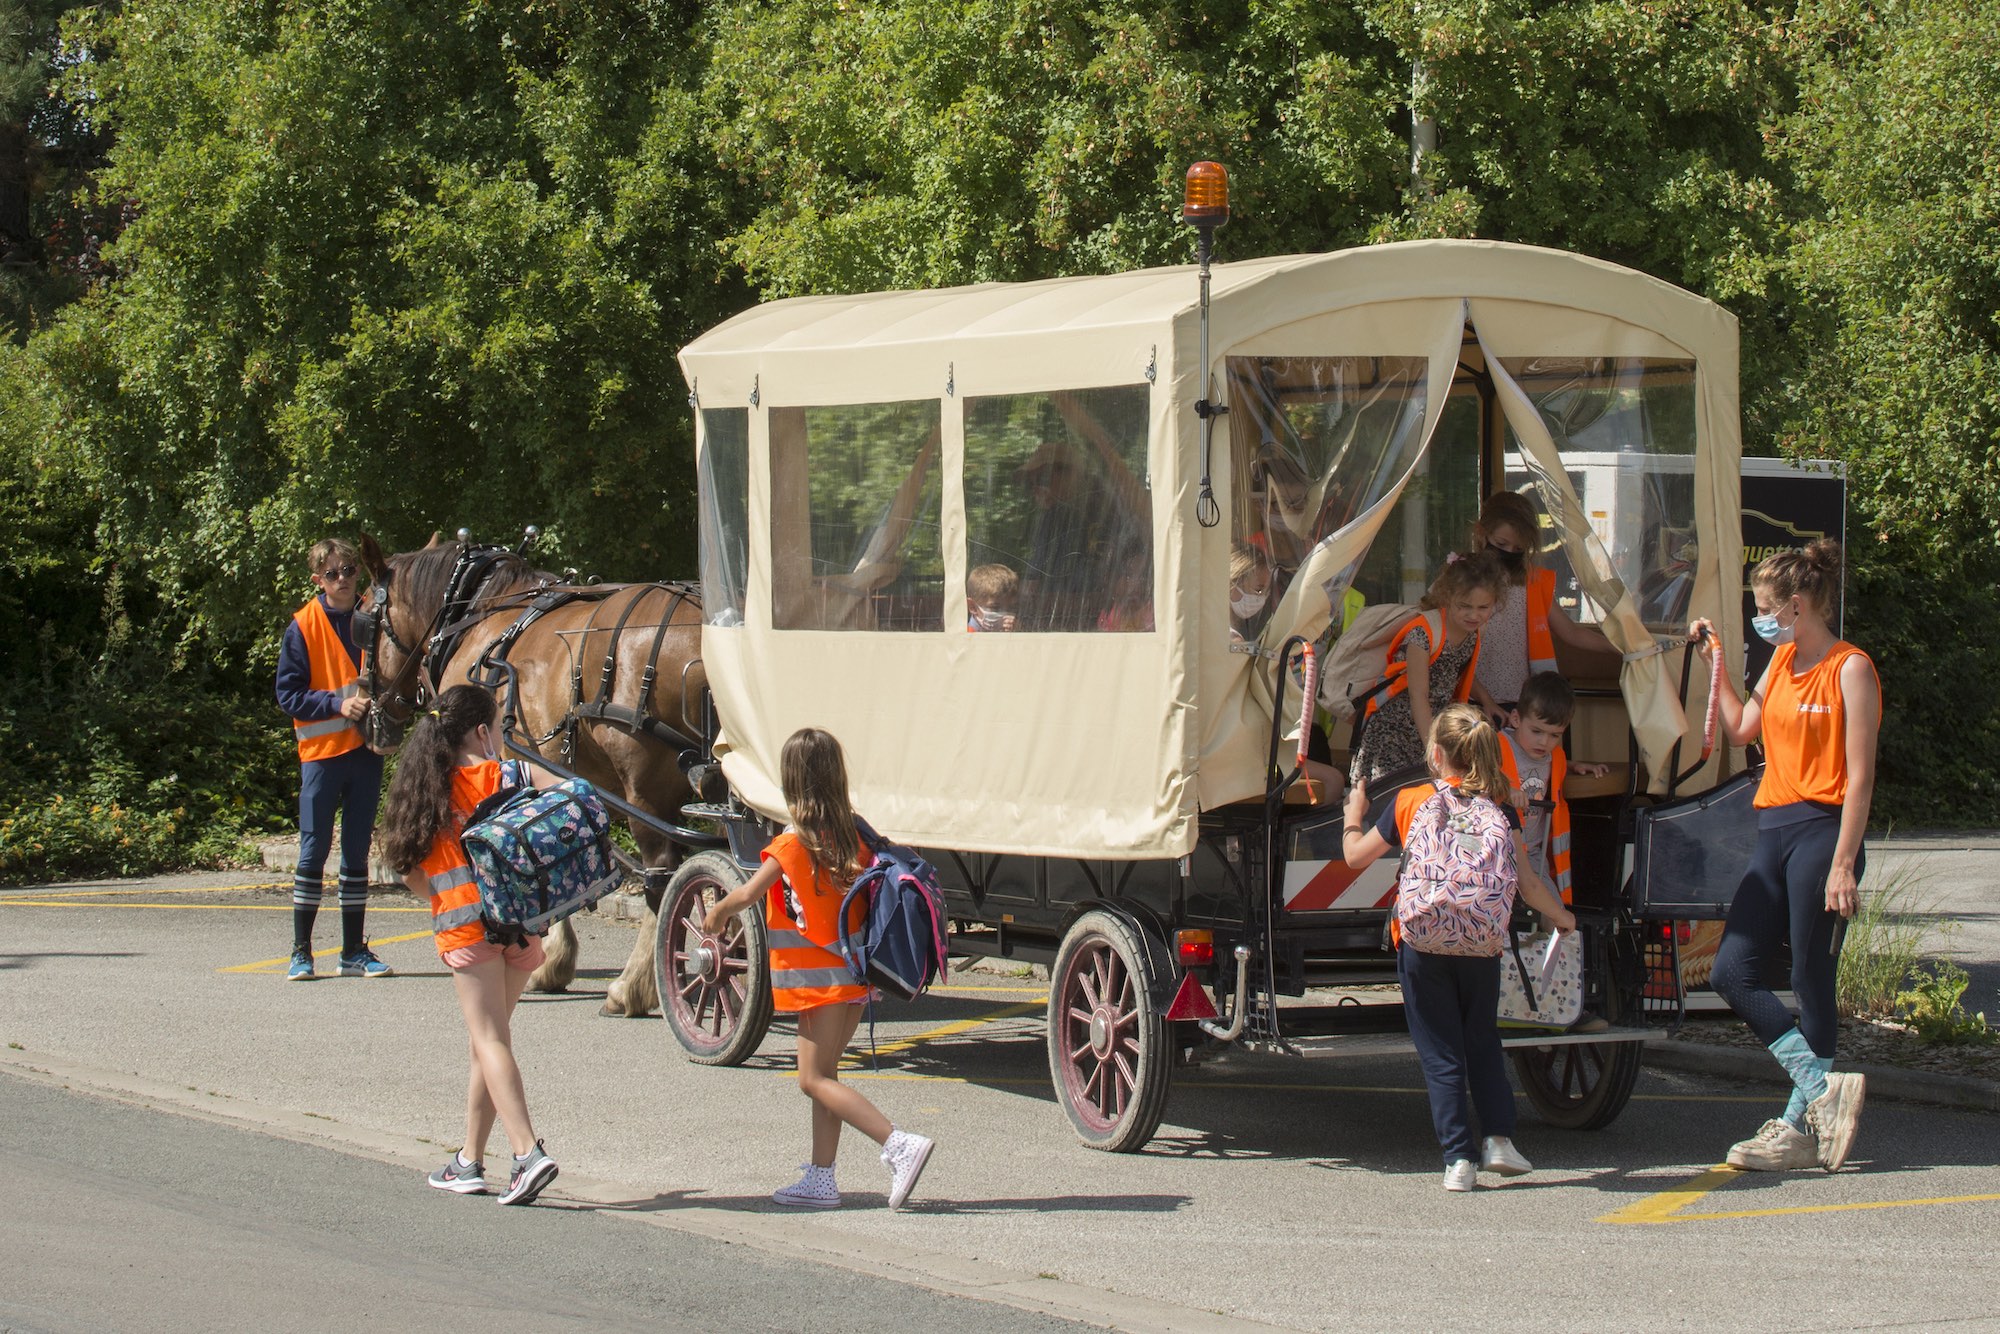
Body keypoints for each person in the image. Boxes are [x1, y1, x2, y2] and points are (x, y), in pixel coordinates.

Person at [1689, 539, 1878, 1174]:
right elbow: (1742, 728)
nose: (1762, 618)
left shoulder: (1851, 667)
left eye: (1767, 607)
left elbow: (1860, 777)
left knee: (1808, 980)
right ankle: (1825, 1093)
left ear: (1797, 605)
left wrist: (1845, 862)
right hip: (1773, 827)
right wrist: (1717, 659)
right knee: (1730, 972)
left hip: (1824, 831)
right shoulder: (1783, 659)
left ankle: (1797, 1124)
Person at [1341, 704, 1576, 1191]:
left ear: (1437, 753)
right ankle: (1499, 1141)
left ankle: (1458, 1160)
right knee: (1483, 1042)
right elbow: (1528, 883)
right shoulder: (1501, 807)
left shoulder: (1409, 800)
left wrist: (1353, 815)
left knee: (1441, 1052)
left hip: (1423, 942)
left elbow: (1352, 858)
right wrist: (1562, 918)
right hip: (1482, 944)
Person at [703, 728, 936, 1209]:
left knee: (812, 1079)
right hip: (853, 979)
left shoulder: (793, 845)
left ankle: (897, 1144)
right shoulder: (855, 836)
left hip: (818, 984)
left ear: (792, 782)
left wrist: (715, 912)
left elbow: (747, 893)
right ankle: (821, 1178)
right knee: (826, 1077)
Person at [379, 684, 561, 1205]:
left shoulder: (428, 788)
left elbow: (409, 869)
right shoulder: (511, 775)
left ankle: (527, 1154)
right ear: (482, 732)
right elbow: (569, 800)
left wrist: (443, 894)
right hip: (523, 923)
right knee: (490, 1041)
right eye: (500, 727)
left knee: (489, 1040)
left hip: (465, 925)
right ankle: (469, 1160)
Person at [274, 536, 390, 982]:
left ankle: (353, 952)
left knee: (356, 855)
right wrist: (337, 705)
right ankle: (301, 952)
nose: (343, 580)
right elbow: (287, 694)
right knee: (312, 852)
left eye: (350, 571)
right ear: (317, 579)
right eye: (334, 573)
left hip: (365, 751)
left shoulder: (373, 615)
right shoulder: (302, 626)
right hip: (322, 756)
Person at [1500, 671, 1611, 1032]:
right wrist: (1502, 786)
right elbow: (1473, 771)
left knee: (1557, 921)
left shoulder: (1554, 758)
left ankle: (1558, 1006)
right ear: (1515, 719)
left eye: (1555, 735)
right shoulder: (1496, 746)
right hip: (1495, 859)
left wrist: (1577, 765)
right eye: (1537, 731)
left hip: (1532, 860)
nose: (1544, 742)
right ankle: (1512, 1003)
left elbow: (1553, 769)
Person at [1347, 549, 1510, 789]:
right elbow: (1418, 695)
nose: (1474, 614)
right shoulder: (1422, 633)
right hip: (1395, 732)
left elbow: (1453, 672)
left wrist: (1487, 700)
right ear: (1447, 597)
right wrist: (1433, 748)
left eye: (1483, 608)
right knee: (1393, 803)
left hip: (1432, 728)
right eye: (1464, 606)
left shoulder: (1473, 632)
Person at [1467, 491, 1614, 713]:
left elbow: (1571, 633)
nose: (1509, 552)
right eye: (1501, 543)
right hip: (1468, 697)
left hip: (1521, 700)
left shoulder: (1532, 582)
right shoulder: (1460, 576)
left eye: (1518, 549)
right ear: (1481, 532)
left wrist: (1620, 646)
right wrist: (1485, 700)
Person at [1228, 541, 1273, 642]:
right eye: (1259, 590)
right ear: (1232, 584)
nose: (1262, 599)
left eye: (1267, 592)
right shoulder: (1233, 640)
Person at [967, 563, 1019, 632]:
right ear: (972, 607)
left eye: (1010, 608)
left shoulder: (1011, 634)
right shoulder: (964, 638)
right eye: (995, 608)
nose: (1005, 615)